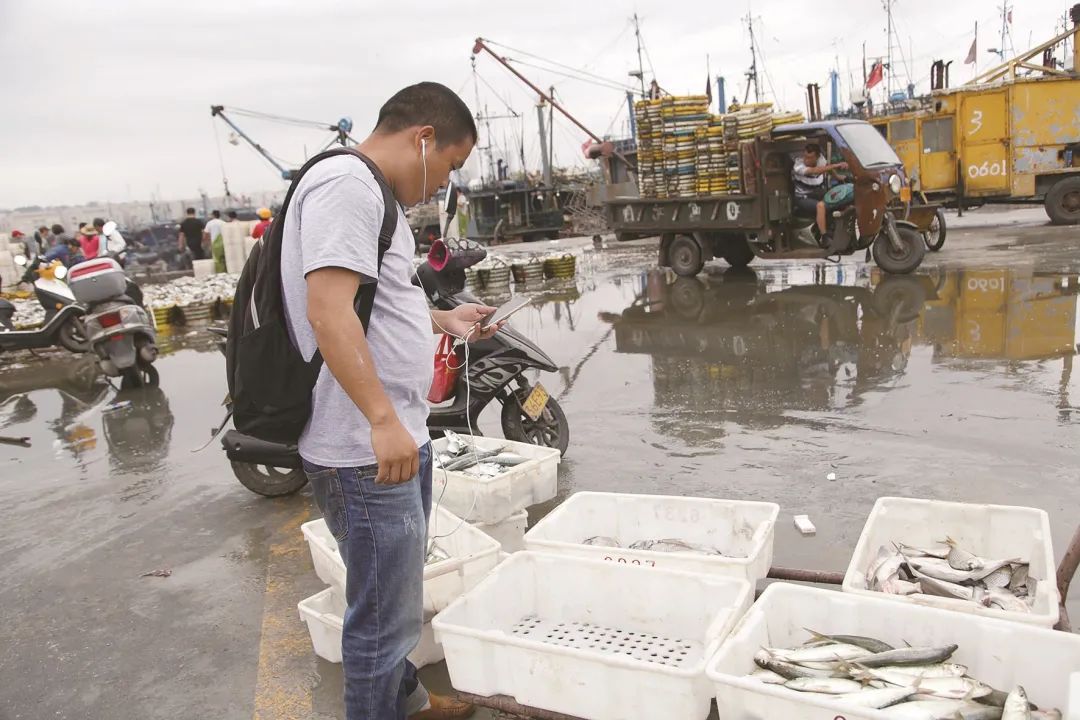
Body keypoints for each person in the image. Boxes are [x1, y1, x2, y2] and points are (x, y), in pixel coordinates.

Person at [282, 81, 491, 720]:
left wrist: (442, 320)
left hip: (393, 434)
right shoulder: (348, 184)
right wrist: (381, 420)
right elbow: (328, 309)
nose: (442, 184)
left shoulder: (376, 195)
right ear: (423, 138)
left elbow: (382, 298)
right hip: (364, 447)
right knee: (381, 620)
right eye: (450, 166)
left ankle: (411, 703)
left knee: (393, 602)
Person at [792, 143, 848, 239]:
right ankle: (824, 235)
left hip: (816, 192)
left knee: (837, 197)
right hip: (802, 197)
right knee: (820, 206)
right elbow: (815, 171)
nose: (806, 160)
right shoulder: (798, 165)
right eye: (805, 157)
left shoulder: (821, 159)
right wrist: (836, 165)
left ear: (817, 157)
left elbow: (827, 167)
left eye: (810, 158)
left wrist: (838, 177)